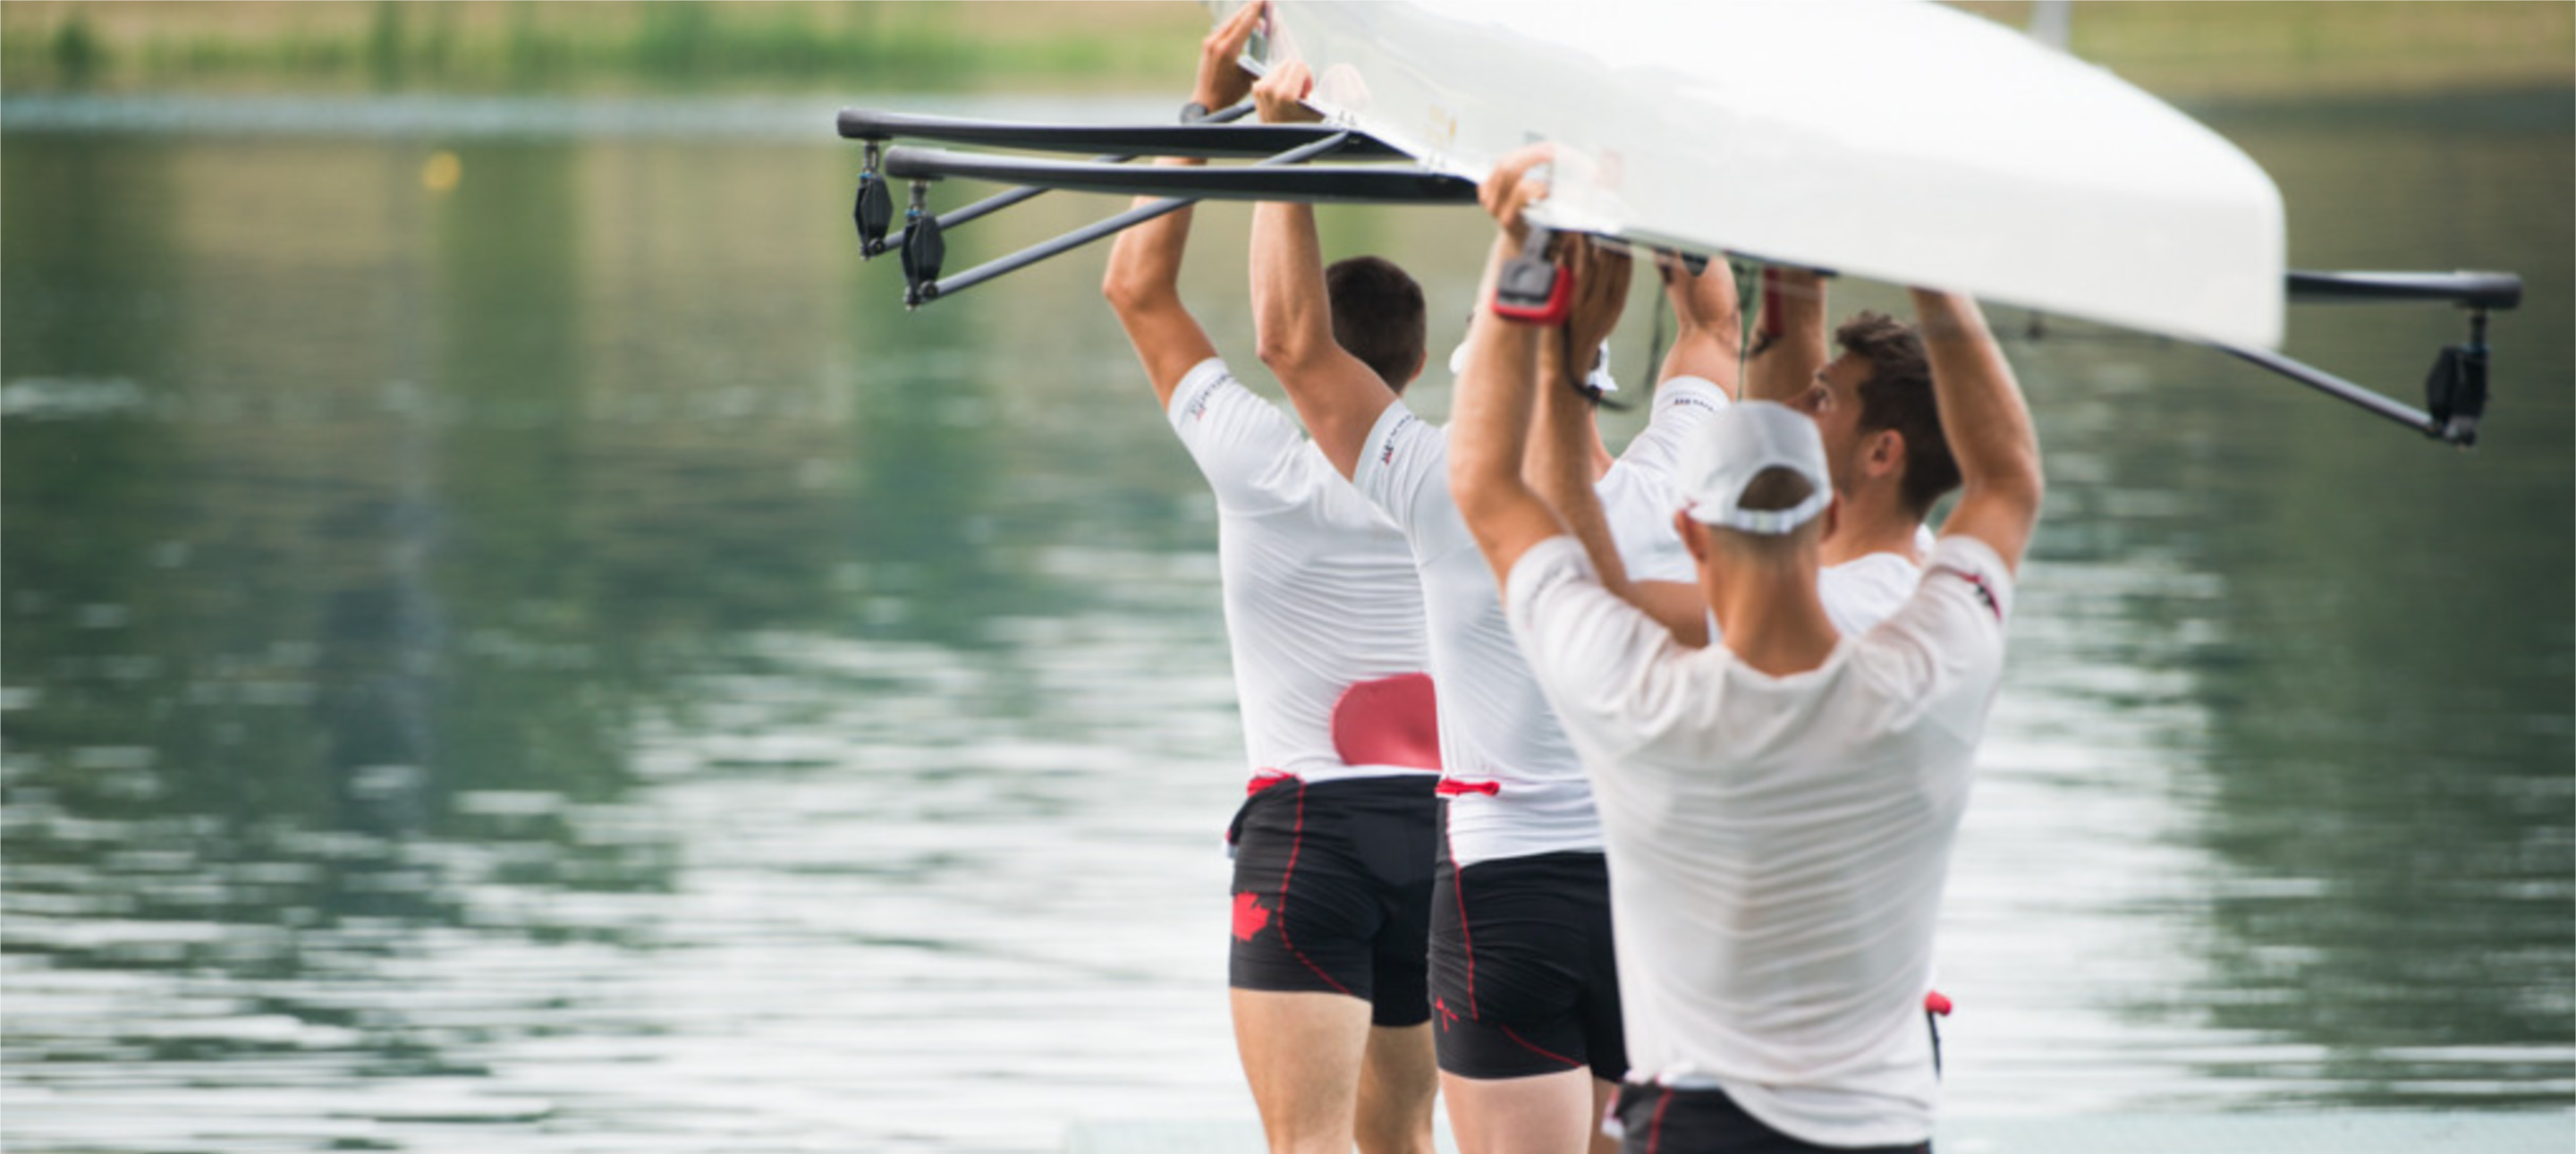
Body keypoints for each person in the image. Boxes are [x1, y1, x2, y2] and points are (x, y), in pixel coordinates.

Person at [1450, 148, 2044, 1153]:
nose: (1808, 402)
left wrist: (1533, 290)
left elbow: (1491, 494)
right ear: (1822, 518)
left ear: (1689, 536)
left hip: (1698, 1122)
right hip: (1880, 1126)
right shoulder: (1930, 660)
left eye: (1826, 399)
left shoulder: (1640, 699)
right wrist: (1908, 265)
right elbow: (2011, 481)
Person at [1247, 64, 1730, 1154]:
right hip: (1659, 887)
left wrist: (1283, 145)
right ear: (1598, 380)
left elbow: (1291, 344)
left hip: (1506, 890)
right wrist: (1649, 189)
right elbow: (1713, 323)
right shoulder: (1675, 474)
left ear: (1484, 382)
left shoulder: (1444, 490)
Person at [1098, 7, 1440, 1152]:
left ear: (1298, 350)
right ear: (1413, 366)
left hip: (1311, 841)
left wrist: (1217, 114)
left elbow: (1136, 292)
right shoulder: (1458, 480)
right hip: (1450, 841)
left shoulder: (1259, 459)